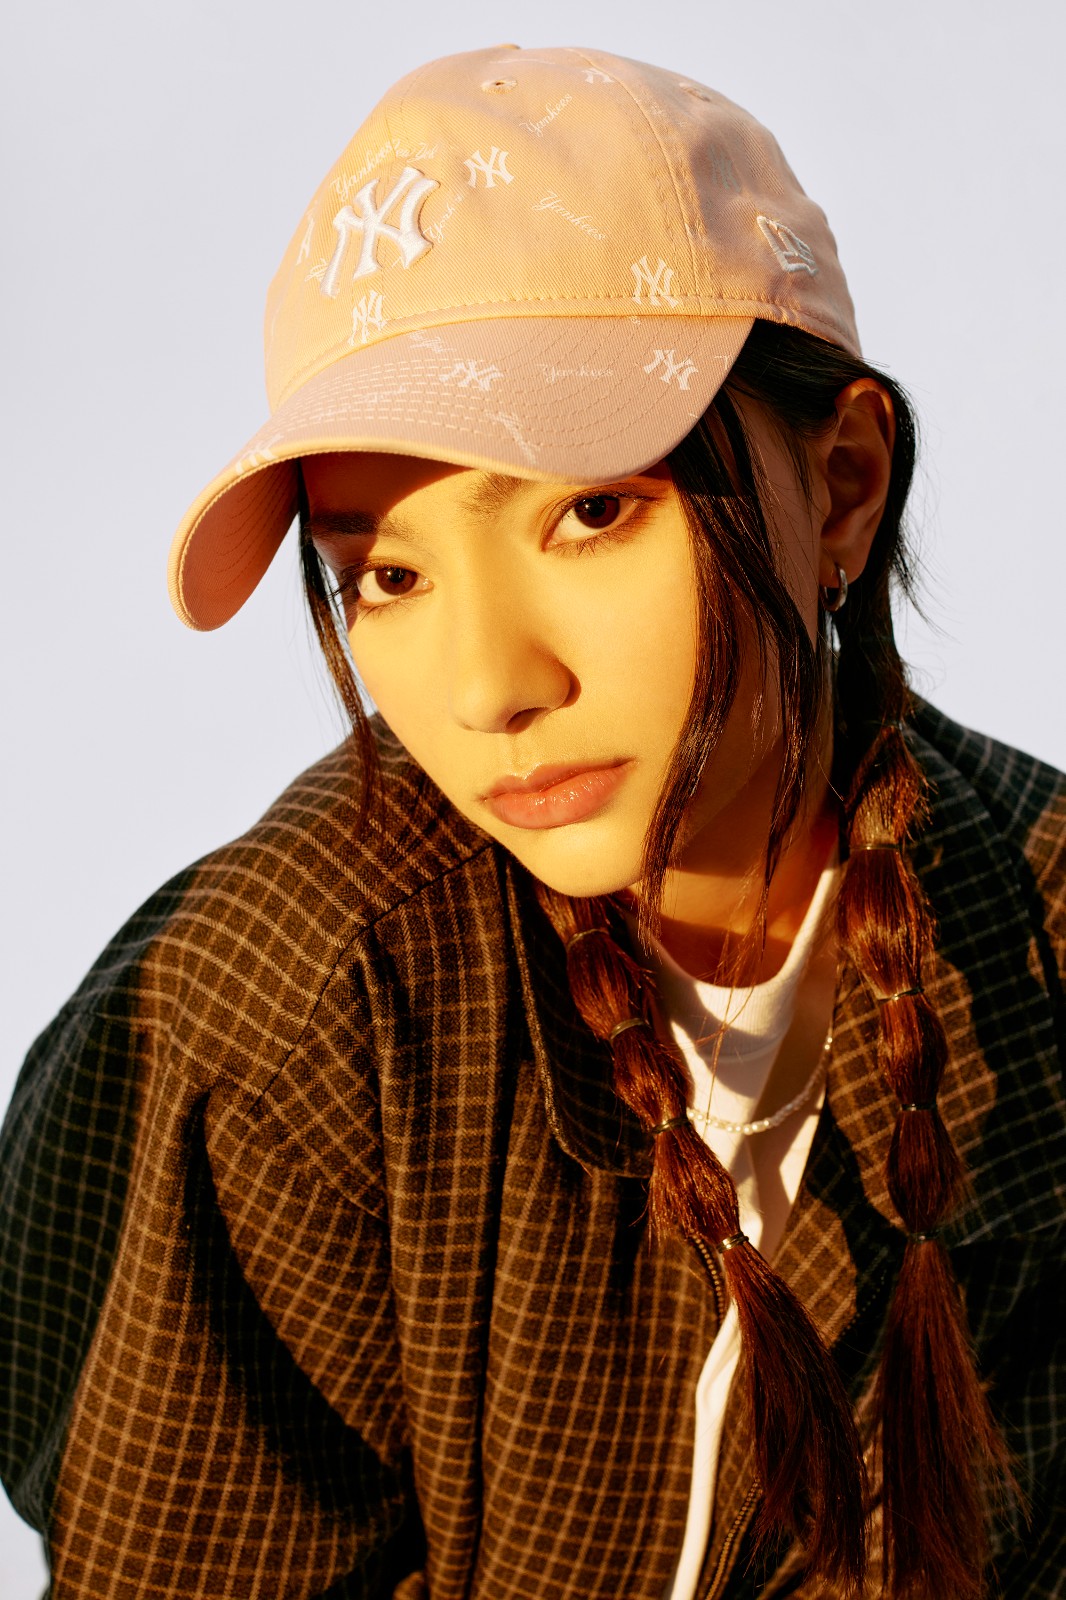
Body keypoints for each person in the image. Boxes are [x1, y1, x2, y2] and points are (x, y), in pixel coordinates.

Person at [1, 43, 1063, 1600]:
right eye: (387, 574)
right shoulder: (285, 1014)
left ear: (840, 485)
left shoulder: (1039, 941)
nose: (489, 684)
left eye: (589, 510)